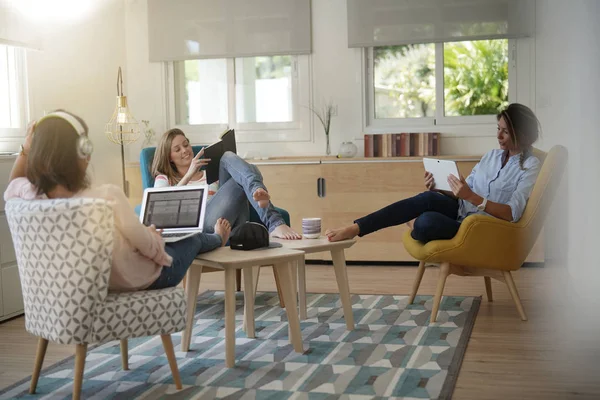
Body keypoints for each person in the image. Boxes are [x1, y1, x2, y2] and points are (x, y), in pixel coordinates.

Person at [4, 110, 231, 292]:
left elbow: (12, 185)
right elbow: (152, 250)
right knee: (190, 239)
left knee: (171, 236)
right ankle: (217, 238)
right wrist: (153, 239)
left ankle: (211, 237)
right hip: (138, 282)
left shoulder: (28, 197)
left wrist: (27, 148)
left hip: (74, 292)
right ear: (83, 151)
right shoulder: (106, 197)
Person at [326, 103, 542, 244]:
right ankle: (355, 228)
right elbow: (465, 191)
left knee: (425, 223)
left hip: (480, 228)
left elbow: (512, 213)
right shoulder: (492, 156)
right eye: (498, 128)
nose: (499, 136)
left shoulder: (530, 166)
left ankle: (414, 222)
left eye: (506, 131)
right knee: (427, 197)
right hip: (460, 210)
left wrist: (471, 196)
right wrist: (444, 187)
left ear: (522, 133)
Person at [151, 128, 301, 239]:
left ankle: (258, 192)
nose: (185, 150)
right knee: (250, 171)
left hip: (234, 223)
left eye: (186, 144)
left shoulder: (209, 175)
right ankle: (274, 221)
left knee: (229, 158)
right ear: (169, 157)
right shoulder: (164, 178)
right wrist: (189, 174)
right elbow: (162, 208)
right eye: (177, 149)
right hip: (205, 227)